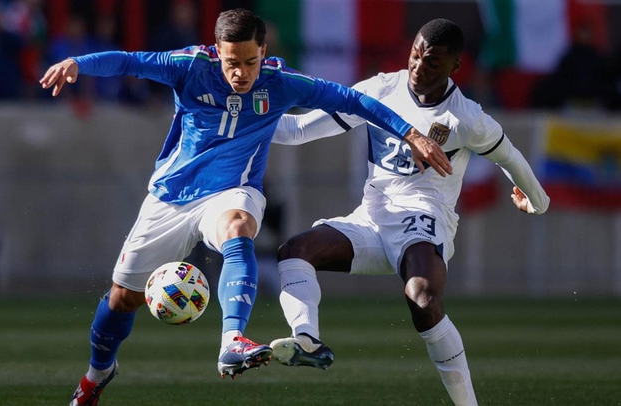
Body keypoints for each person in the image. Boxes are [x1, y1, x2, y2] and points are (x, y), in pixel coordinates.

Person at [39, 9, 451, 406]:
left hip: (234, 191)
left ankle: (232, 340)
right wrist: (79, 62)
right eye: (232, 62)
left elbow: (352, 100)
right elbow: (128, 61)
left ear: (263, 50)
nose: (241, 73)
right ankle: (97, 375)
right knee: (121, 299)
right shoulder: (189, 65)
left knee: (239, 227)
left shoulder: (280, 81)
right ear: (218, 52)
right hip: (172, 196)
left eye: (250, 62)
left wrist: (411, 132)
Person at [267, 19, 550, 406]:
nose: (419, 67)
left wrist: (539, 200)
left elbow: (510, 156)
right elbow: (298, 130)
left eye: (432, 63)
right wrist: (241, 118)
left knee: (422, 298)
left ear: (454, 67)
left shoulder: (465, 117)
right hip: (371, 218)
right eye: (416, 55)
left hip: (424, 218)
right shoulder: (380, 89)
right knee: (293, 251)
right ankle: (307, 339)